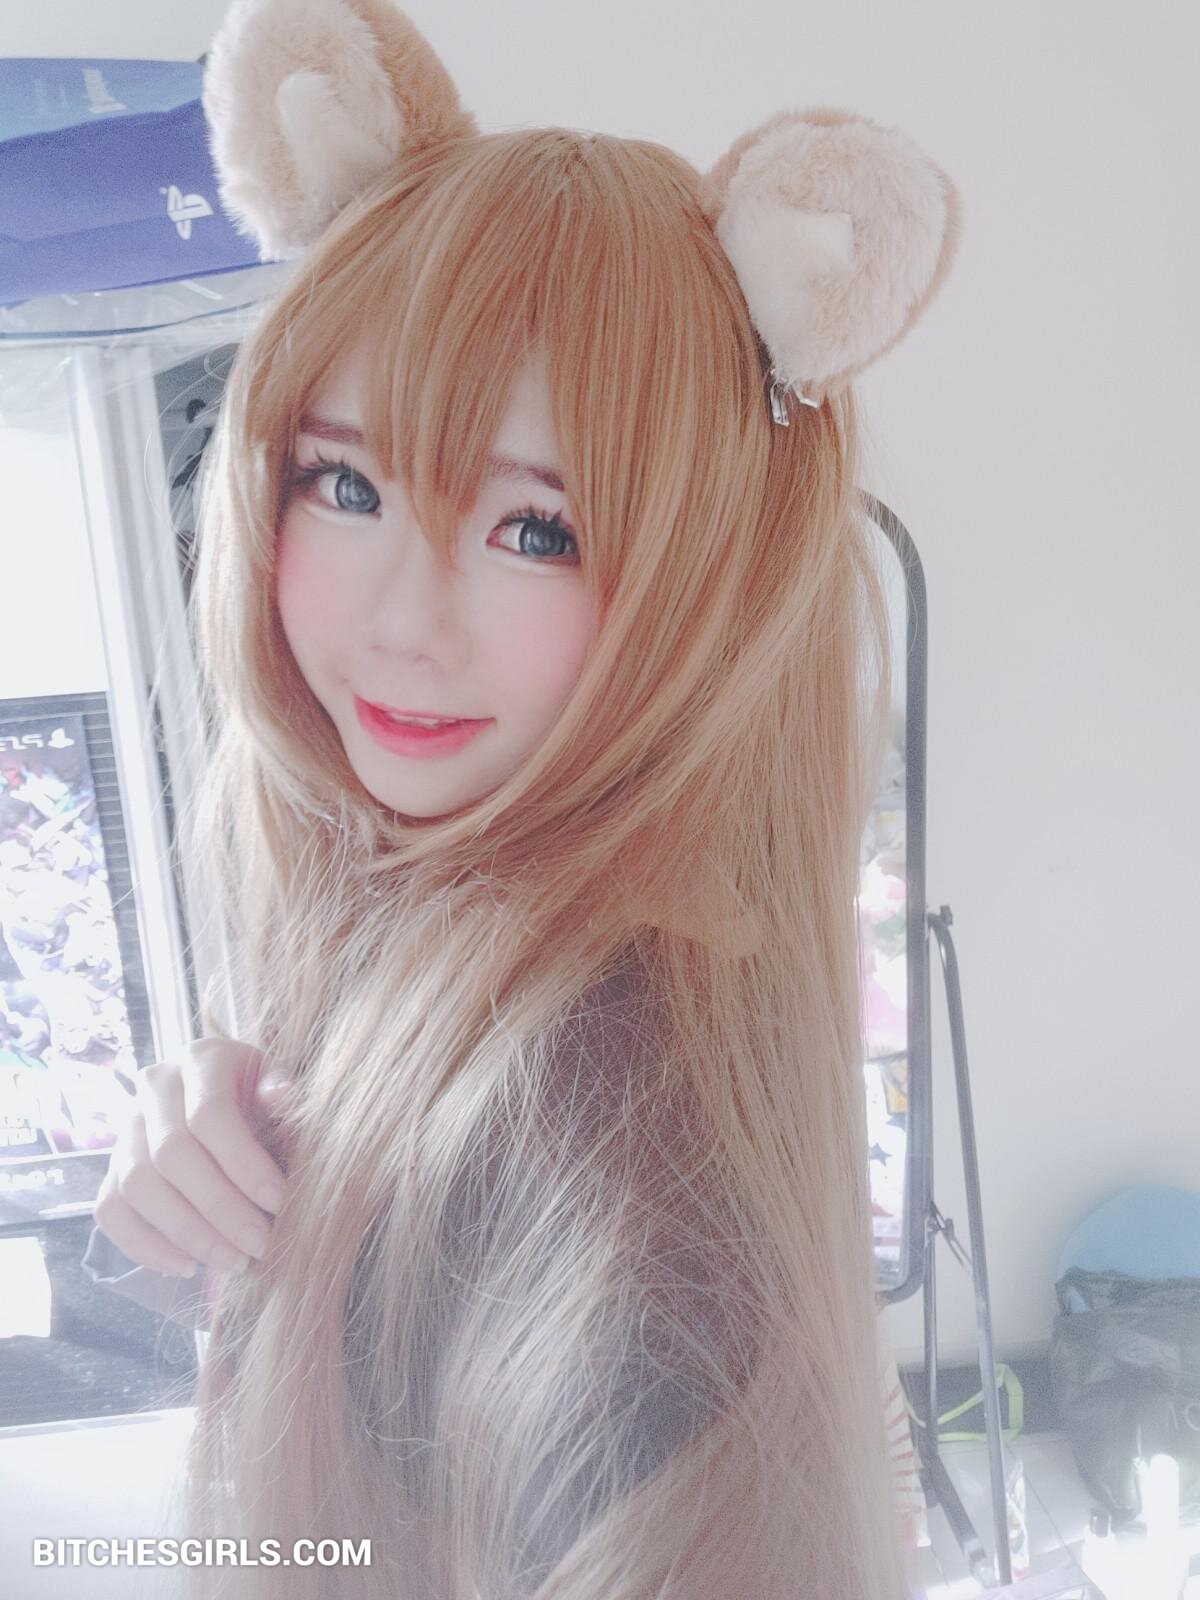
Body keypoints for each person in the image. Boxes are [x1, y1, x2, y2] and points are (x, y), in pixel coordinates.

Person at [83, 0, 963, 1594]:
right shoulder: (443, 912)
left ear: (714, 581)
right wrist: (261, 1122)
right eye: (349, 484)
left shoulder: (621, 1193)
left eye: (537, 531)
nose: (405, 623)